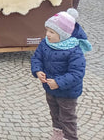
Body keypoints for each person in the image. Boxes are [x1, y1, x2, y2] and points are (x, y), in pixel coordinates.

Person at [31, 8, 92, 140]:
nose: (48, 34)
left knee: (67, 118)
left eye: (52, 32)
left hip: (67, 93)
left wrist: (58, 82)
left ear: (63, 34)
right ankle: (58, 135)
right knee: (55, 114)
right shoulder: (45, 43)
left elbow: (77, 73)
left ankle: (70, 137)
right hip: (50, 89)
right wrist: (38, 70)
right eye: (47, 30)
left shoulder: (74, 50)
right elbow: (37, 58)